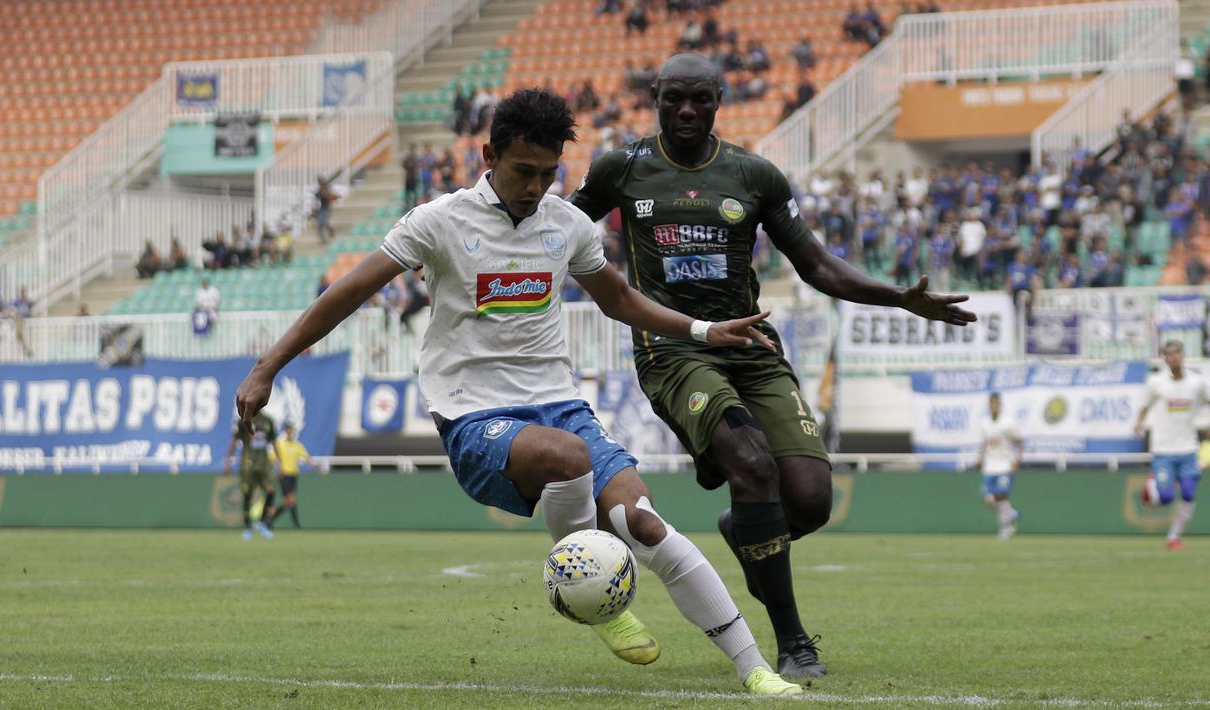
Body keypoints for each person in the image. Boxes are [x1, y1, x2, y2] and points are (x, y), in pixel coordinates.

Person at [234, 88, 803, 696]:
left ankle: (755, 669)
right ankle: (599, 604)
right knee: (568, 458)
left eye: (548, 173)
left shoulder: (567, 226)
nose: (536, 186)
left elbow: (619, 301)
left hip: (558, 403)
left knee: (643, 523)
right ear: (489, 155)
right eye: (523, 171)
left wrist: (704, 330)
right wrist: (269, 366)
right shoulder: (439, 221)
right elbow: (346, 293)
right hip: (473, 413)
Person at [570, 53, 976, 678]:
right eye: (673, 97)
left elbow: (815, 265)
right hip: (674, 349)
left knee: (810, 501)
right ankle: (792, 642)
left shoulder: (754, 176)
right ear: (655, 96)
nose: (685, 110)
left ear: (719, 100)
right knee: (753, 465)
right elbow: (558, 231)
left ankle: (745, 530)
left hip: (751, 348)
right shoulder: (621, 168)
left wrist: (899, 297)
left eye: (699, 99)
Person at [1134, 341, 1204, 550]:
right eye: (1168, 355)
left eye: (1175, 354)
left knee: (1189, 493)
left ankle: (1174, 536)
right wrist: (1138, 423)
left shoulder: (1197, 382)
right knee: (1165, 498)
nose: (1172, 358)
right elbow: (1145, 405)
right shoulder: (1157, 382)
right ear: (1164, 359)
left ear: (1183, 356)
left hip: (1188, 448)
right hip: (1163, 449)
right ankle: (1153, 487)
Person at [223, 411, 278, 541]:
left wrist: (278, 462)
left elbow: (274, 442)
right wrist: (228, 461)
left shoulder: (267, 420)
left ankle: (262, 523)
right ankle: (248, 529)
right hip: (248, 464)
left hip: (264, 463)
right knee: (247, 494)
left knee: (271, 490)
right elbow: (234, 441)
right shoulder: (243, 421)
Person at [975, 392, 1022, 540]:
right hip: (990, 466)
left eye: (996, 403)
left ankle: (1005, 529)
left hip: (1004, 465)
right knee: (988, 499)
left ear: (1000, 405)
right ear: (989, 405)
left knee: (1001, 496)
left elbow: (1019, 442)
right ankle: (1011, 513)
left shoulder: (1007, 423)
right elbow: (984, 442)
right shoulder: (985, 423)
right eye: (991, 403)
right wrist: (980, 458)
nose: (993, 406)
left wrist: (1017, 460)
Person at [268, 423, 315, 529]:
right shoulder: (280, 444)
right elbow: (273, 457)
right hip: (284, 474)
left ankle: (270, 520)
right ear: (285, 431)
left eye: (292, 430)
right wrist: (278, 468)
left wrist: (315, 466)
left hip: (293, 475)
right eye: (289, 430)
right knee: (291, 499)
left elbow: (306, 456)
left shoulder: (297, 445)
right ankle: (271, 520)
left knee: (290, 501)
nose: (290, 432)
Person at [314, 177, 337, 243]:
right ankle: (323, 238)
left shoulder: (327, 190)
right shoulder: (319, 191)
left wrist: (328, 196)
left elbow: (334, 197)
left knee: (323, 223)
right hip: (321, 209)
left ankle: (328, 232)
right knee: (321, 224)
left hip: (326, 208)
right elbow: (317, 201)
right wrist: (315, 210)